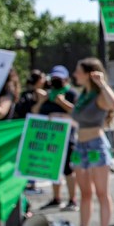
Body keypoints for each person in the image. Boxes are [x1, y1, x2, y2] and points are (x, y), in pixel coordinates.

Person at [67, 58, 114, 226]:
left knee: (101, 192)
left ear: (89, 73)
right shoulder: (83, 96)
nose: (75, 74)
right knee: (85, 193)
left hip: (96, 146)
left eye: (78, 71)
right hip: (80, 146)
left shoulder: (99, 96)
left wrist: (102, 82)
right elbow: (76, 117)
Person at [33, 65, 79, 211]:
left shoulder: (71, 93)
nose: (56, 81)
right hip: (50, 138)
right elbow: (35, 112)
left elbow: (78, 113)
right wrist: (42, 100)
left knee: (68, 169)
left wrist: (61, 103)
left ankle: (72, 199)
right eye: (53, 79)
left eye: (58, 79)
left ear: (66, 79)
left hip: (67, 137)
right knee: (54, 168)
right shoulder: (48, 94)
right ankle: (56, 198)